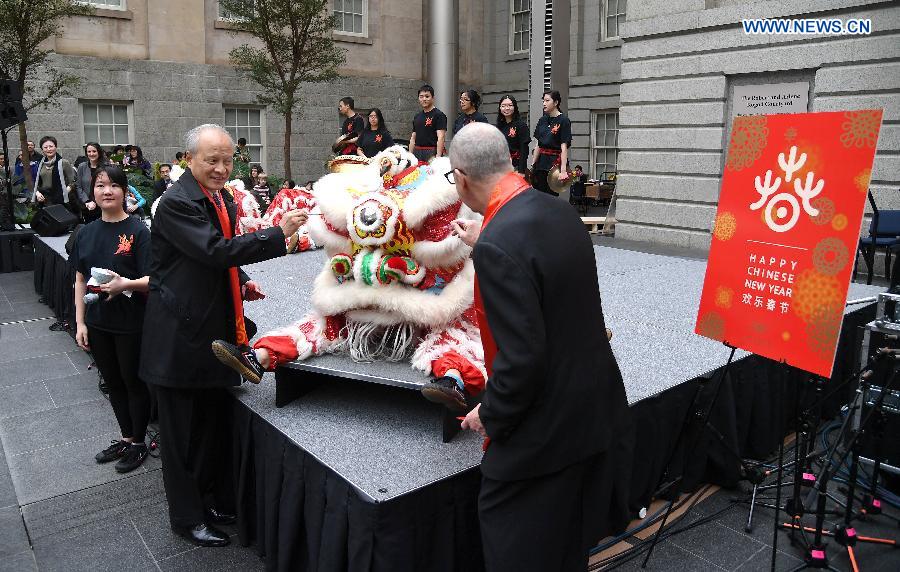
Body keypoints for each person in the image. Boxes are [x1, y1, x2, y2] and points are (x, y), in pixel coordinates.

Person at [441, 123, 629, 571]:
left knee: (514, 535)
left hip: (544, 430)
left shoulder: (500, 243)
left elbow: (522, 358)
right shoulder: (557, 211)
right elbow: (542, 274)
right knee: (565, 540)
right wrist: (485, 240)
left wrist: (489, 412)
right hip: (593, 407)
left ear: (462, 176)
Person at [140, 124, 307, 547]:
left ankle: (211, 501)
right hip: (180, 338)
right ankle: (186, 516)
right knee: (181, 439)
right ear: (188, 159)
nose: (220, 168)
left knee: (211, 427)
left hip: (209, 332)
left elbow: (210, 254)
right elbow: (213, 251)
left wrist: (242, 279)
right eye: (211, 160)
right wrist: (277, 233)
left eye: (227, 160)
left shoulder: (217, 196)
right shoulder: (178, 203)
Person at [71, 165, 153, 474]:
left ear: (124, 191)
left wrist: (125, 285)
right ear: (93, 191)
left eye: (114, 186)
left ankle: (139, 442)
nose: (107, 191)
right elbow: (79, 279)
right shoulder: (86, 232)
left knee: (133, 382)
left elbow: (153, 278)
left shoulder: (138, 231)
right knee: (113, 383)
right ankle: (126, 436)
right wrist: (80, 323)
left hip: (131, 322)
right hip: (98, 321)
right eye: (101, 186)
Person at [531, 90, 572, 196]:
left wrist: (563, 170)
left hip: (554, 165)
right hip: (541, 164)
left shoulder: (564, 120)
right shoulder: (542, 120)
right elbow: (538, 145)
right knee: (539, 196)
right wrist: (533, 165)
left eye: (547, 100)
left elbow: (564, 146)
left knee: (550, 197)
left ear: (556, 102)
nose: (544, 103)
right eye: (543, 100)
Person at [30, 136, 78, 213]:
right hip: (44, 199)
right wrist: (37, 193)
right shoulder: (39, 164)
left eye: (51, 146)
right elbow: (35, 182)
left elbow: (74, 181)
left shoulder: (64, 162)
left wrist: (65, 191)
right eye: (45, 147)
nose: (48, 149)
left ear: (55, 147)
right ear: (42, 149)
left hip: (60, 199)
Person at [408, 84, 447, 163]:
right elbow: (413, 138)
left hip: (432, 152)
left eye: (427, 96)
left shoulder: (439, 115)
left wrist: (438, 157)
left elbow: (441, 137)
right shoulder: (417, 116)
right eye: (421, 96)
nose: (424, 99)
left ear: (433, 98)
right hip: (417, 151)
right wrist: (409, 156)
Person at [495, 95, 530, 174]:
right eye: (503, 106)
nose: (507, 108)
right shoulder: (498, 127)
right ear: (500, 108)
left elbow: (524, 150)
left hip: (515, 166)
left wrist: (521, 171)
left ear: (515, 107)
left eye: (510, 105)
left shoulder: (521, 125)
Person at [74, 142, 108, 223]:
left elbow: (108, 186)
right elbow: (78, 186)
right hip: (87, 206)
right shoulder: (82, 166)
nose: (91, 154)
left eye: (94, 151)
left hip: (103, 204)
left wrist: (97, 202)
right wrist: (87, 201)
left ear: (98, 152)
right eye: (89, 152)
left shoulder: (107, 166)